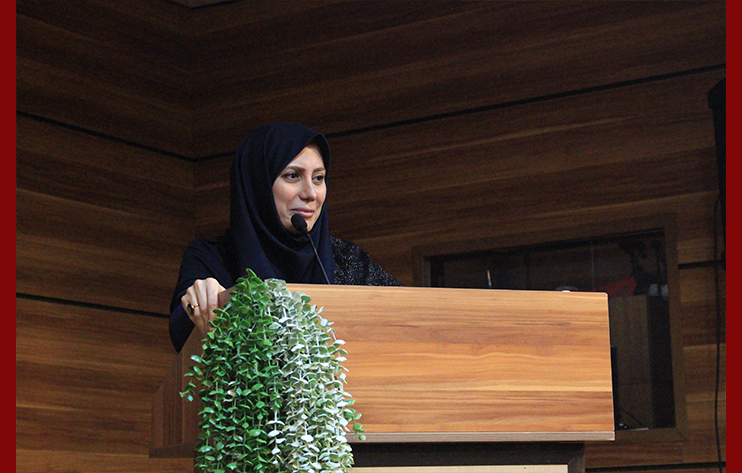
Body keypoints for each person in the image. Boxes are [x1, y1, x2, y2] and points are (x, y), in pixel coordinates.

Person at [169, 122, 400, 352]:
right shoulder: (211, 257)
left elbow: (407, 315)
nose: (310, 193)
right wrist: (201, 302)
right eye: (292, 176)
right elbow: (181, 332)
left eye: (318, 178)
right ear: (258, 183)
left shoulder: (347, 259)